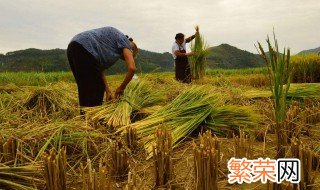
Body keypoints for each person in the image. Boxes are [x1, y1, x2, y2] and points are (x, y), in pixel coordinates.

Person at [67, 26, 138, 115]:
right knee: (96, 88)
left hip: (74, 46)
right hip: (85, 48)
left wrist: (107, 90)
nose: (123, 58)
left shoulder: (111, 45)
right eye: (126, 57)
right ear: (130, 50)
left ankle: (85, 119)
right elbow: (132, 68)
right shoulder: (125, 42)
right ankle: (92, 119)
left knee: (85, 87)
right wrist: (121, 88)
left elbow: (99, 69)